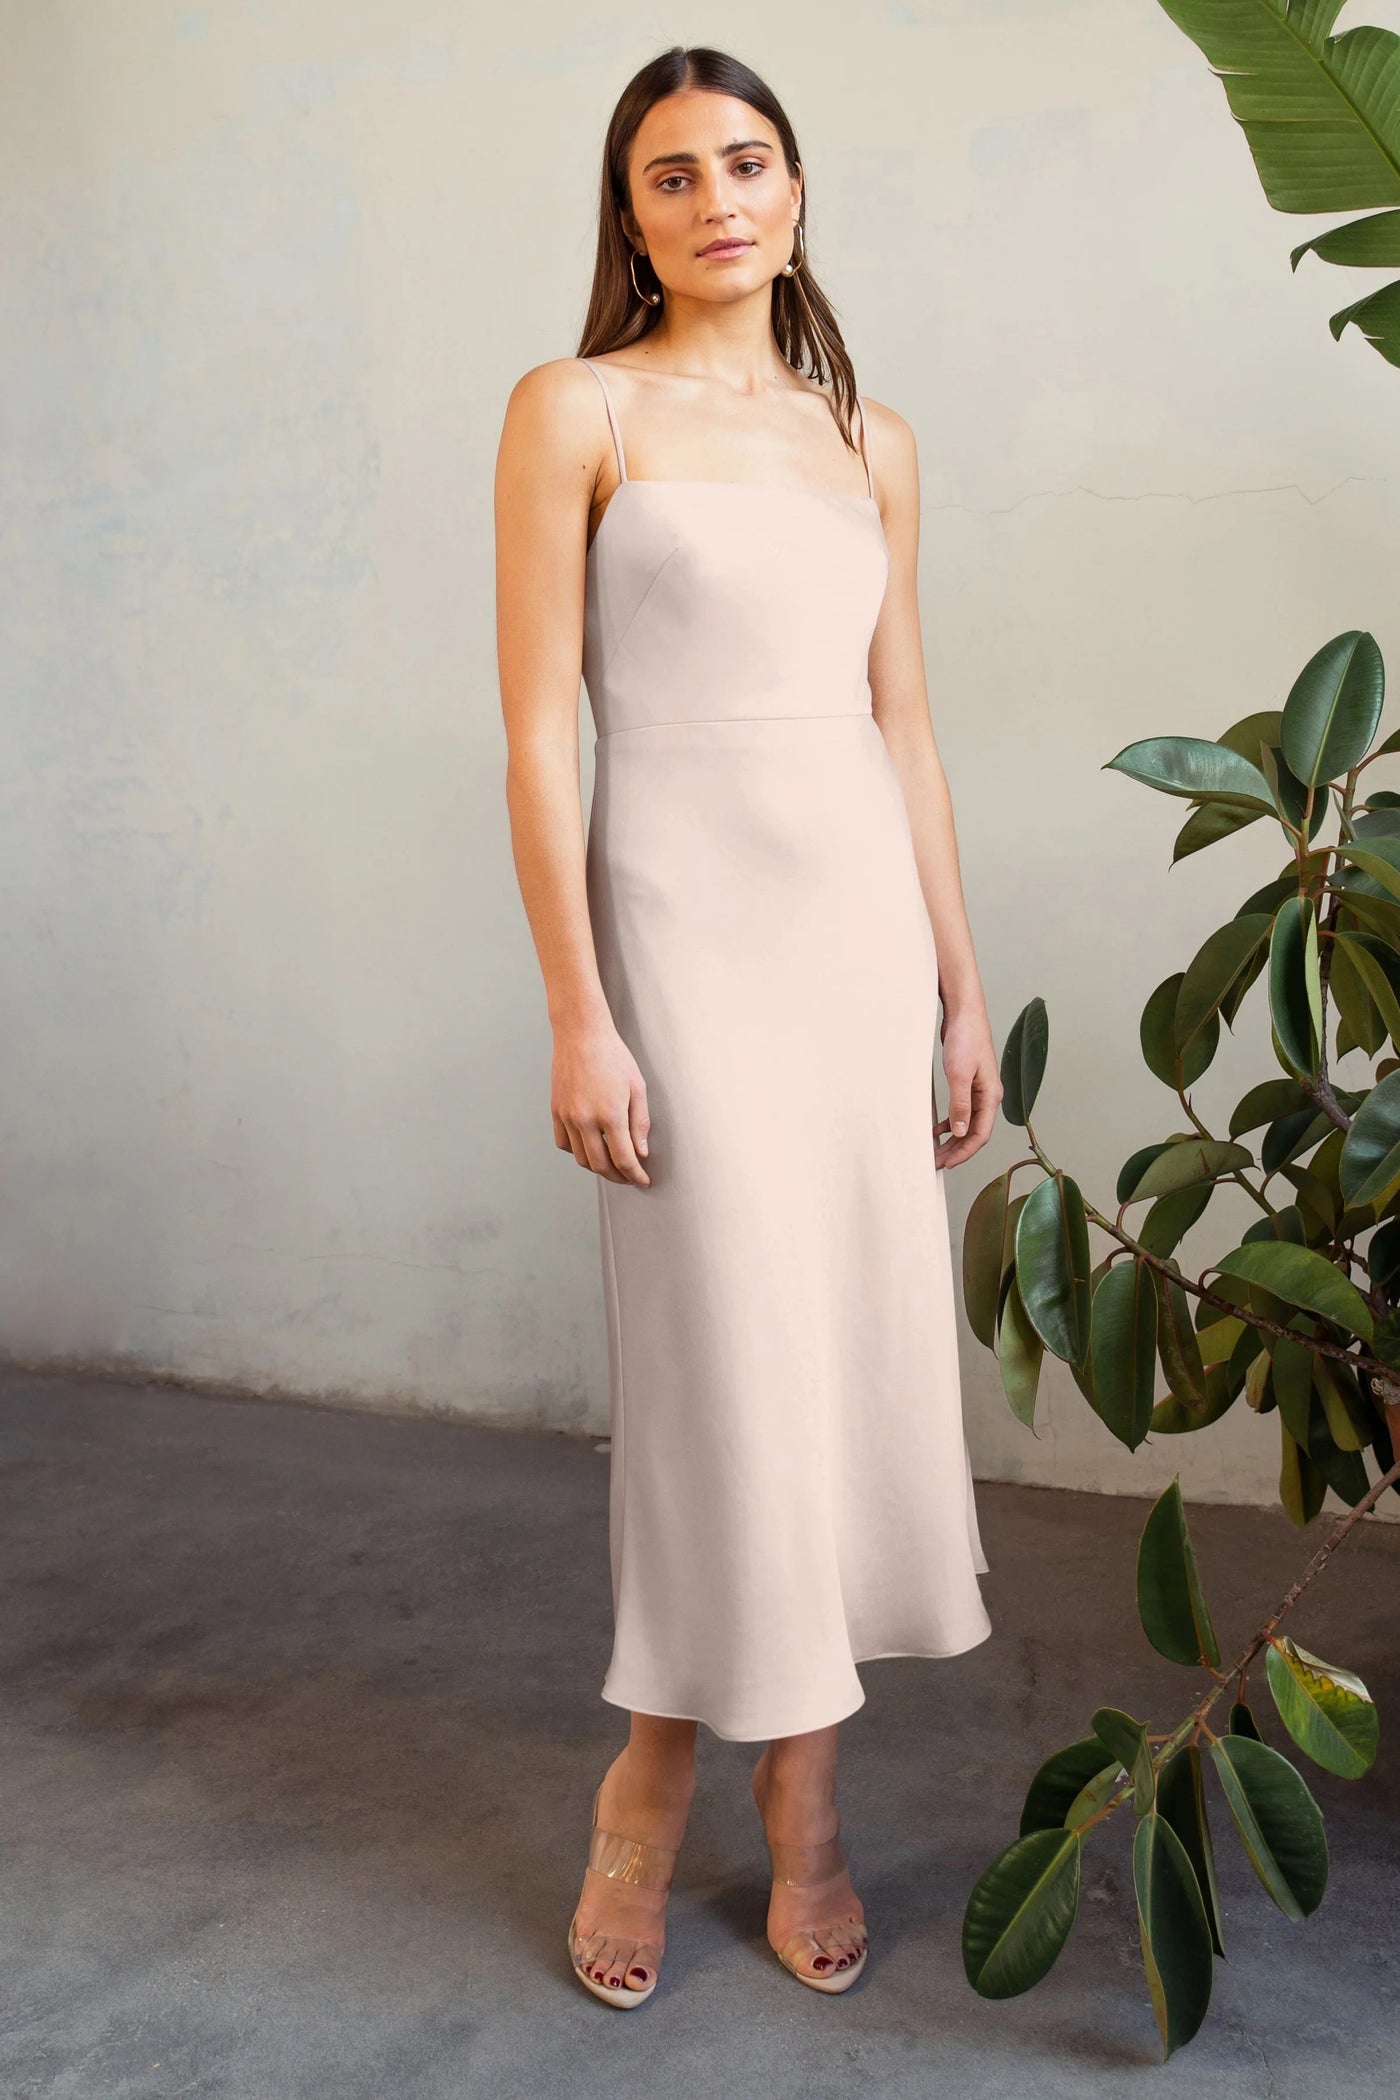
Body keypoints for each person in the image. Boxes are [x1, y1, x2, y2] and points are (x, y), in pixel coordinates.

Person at [495, 44, 1001, 2009]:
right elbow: (543, 727)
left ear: (796, 190)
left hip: (855, 938)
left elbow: (909, 728)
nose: (718, 198)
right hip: (677, 935)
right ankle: (648, 1778)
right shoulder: (574, 409)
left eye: (749, 162)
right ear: (629, 219)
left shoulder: (866, 434)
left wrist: (962, 985)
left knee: (847, 1357)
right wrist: (576, 1007)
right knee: (718, 1372)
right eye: (672, 175)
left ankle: (806, 1798)